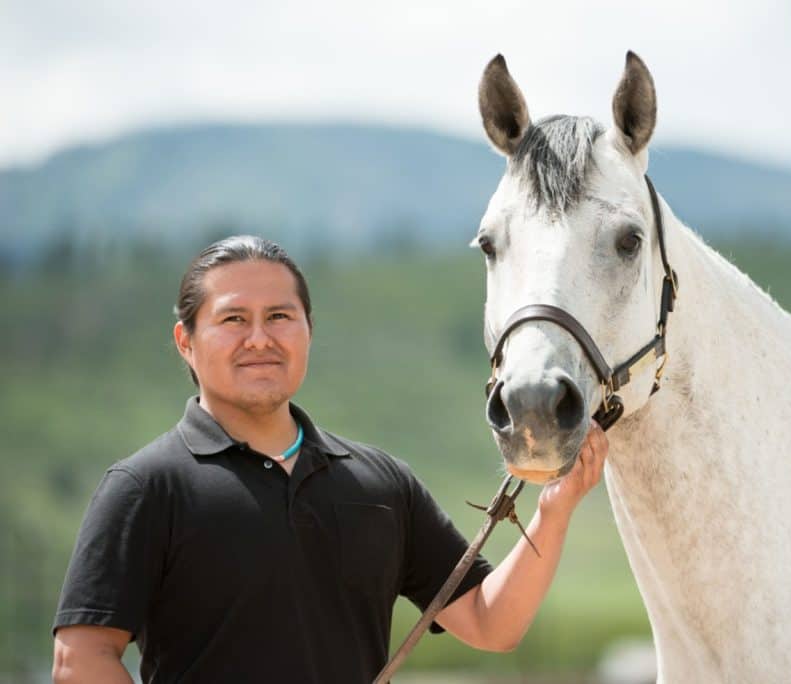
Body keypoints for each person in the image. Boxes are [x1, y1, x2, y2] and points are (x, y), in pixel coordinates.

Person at [51, 235, 608, 683]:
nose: (259, 338)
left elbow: (490, 621)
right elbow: (81, 661)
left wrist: (553, 512)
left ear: (308, 331)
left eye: (279, 316)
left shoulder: (380, 484)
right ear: (185, 341)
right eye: (233, 319)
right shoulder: (145, 487)